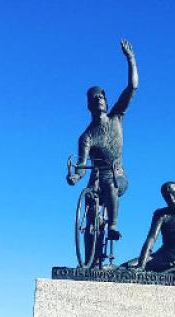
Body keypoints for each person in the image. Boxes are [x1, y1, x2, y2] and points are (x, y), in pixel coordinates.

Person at [67, 39, 138, 241]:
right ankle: (91, 252)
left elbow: (132, 87)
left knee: (111, 185)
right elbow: (82, 164)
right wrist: (75, 176)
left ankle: (113, 226)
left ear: (106, 102)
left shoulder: (117, 117)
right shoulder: (86, 136)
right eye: (95, 98)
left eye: (102, 97)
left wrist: (131, 59)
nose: (99, 99)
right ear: (89, 105)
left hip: (117, 175)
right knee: (90, 208)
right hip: (96, 179)